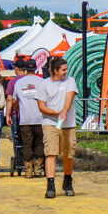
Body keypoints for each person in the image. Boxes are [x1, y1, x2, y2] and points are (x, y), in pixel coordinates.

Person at [35, 56, 79, 198]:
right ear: (55, 70)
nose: (66, 72)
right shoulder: (44, 85)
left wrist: (64, 112)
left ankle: (67, 179)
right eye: (63, 70)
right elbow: (41, 106)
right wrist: (56, 113)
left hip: (68, 123)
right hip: (50, 122)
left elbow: (69, 98)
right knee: (51, 152)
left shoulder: (70, 81)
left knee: (68, 153)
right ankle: (50, 184)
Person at [8, 59, 47, 179]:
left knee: (27, 143)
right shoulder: (42, 82)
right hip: (40, 117)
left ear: (25, 69)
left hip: (25, 118)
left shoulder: (19, 83)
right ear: (36, 68)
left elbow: (14, 100)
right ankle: (37, 167)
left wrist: (18, 108)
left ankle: (28, 169)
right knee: (40, 142)